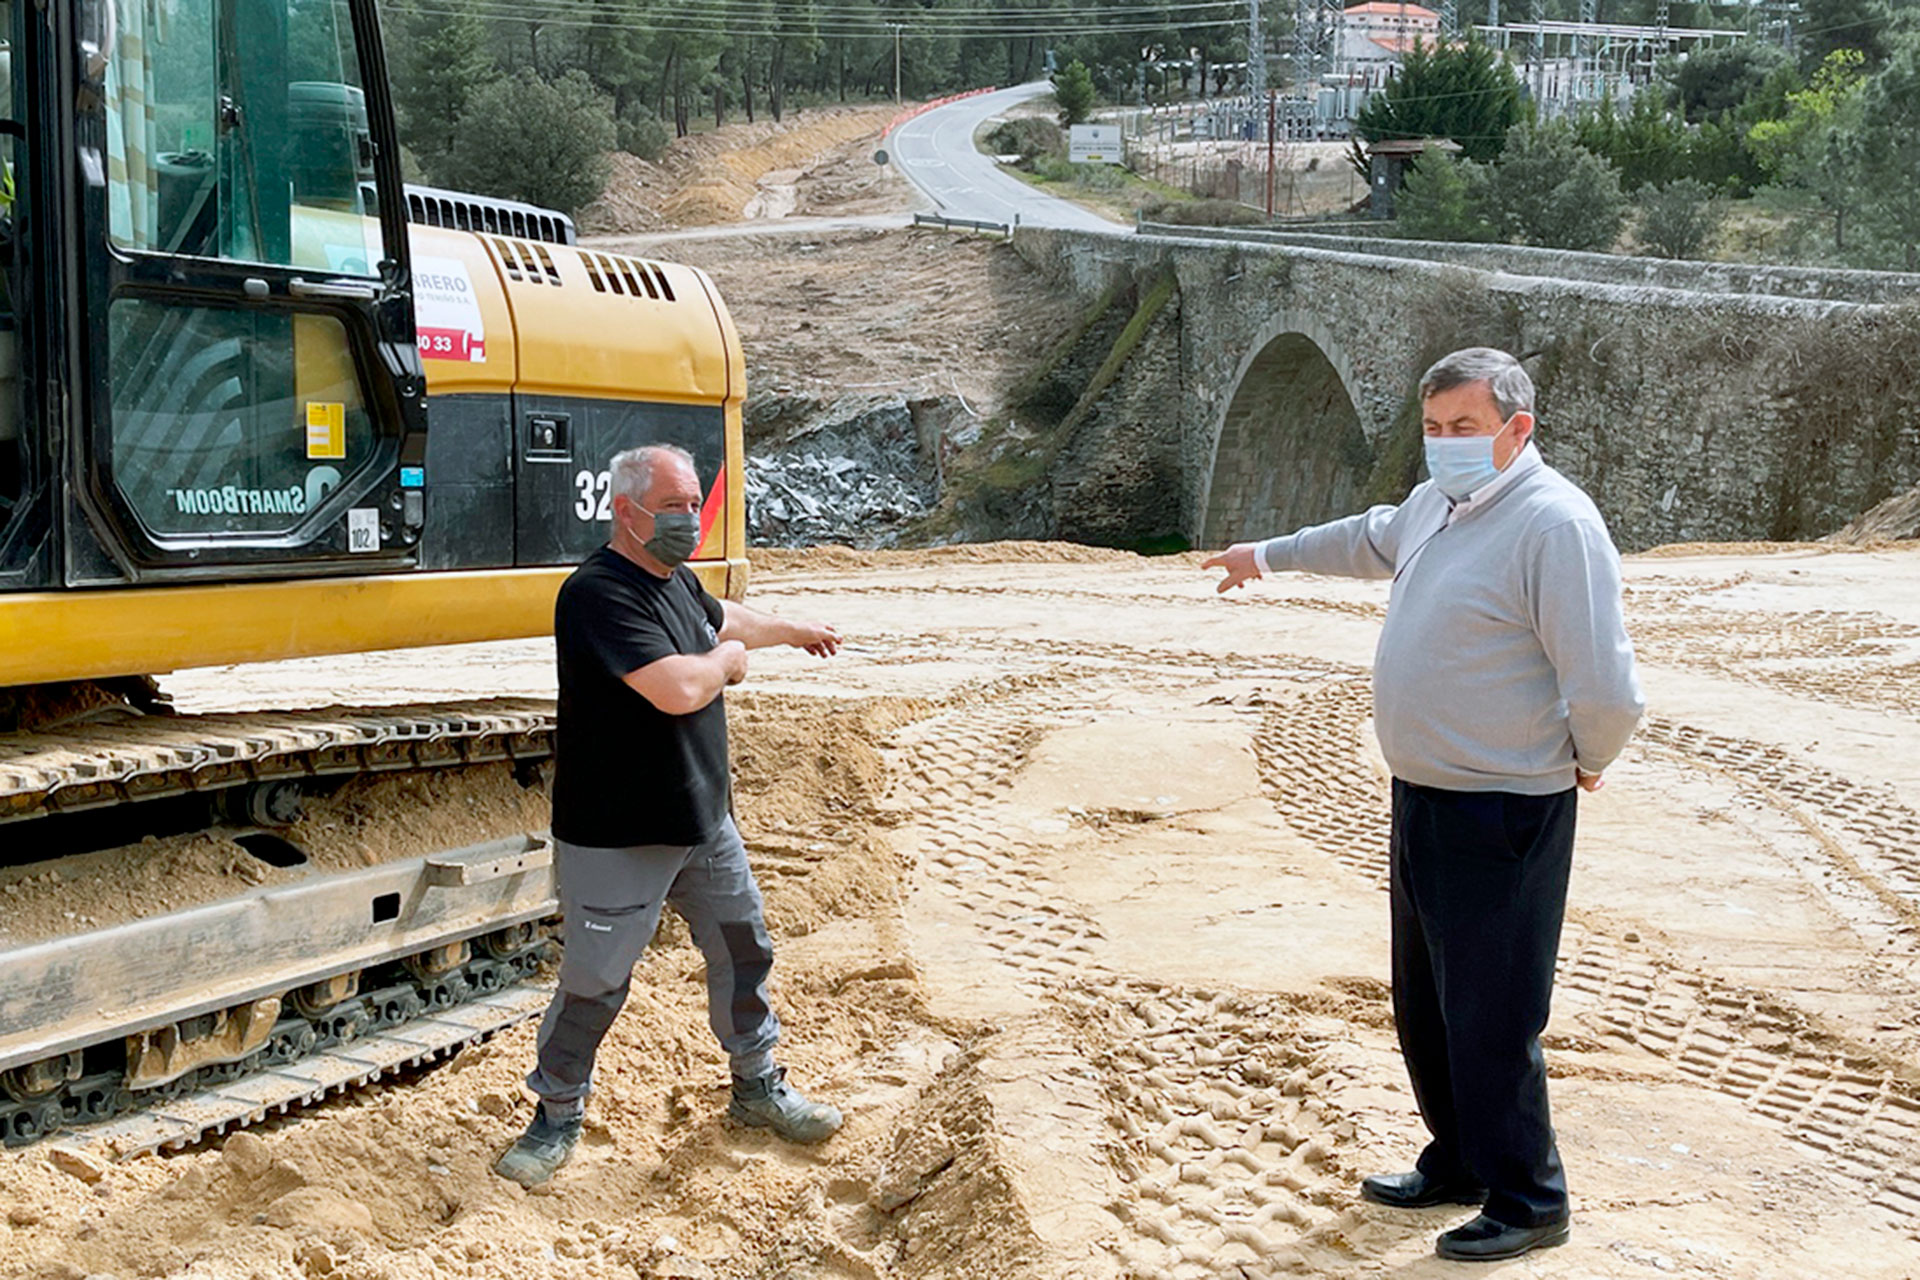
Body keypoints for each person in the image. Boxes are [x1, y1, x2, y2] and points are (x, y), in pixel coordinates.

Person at [1203, 347, 1643, 1262]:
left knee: (1493, 1010)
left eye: (1464, 430)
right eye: (1433, 429)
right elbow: (1367, 537)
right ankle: (1461, 1161)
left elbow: (1604, 682)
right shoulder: (1439, 502)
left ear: (1517, 431)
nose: (1444, 445)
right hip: (1426, 794)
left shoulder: (1554, 525)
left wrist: (1587, 758)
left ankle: (1529, 1197)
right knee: (1429, 1003)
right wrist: (1265, 556)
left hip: (1503, 804)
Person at [495, 443, 845, 1188]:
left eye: (694, 504)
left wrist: (790, 629)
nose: (690, 519)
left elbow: (723, 616)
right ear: (626, 512)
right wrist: (728, 662)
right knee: (595, 982)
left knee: (743, 950)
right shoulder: (597, 594)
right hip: (619, 834)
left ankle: (757, 1088)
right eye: (674, 507)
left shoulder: (675, 579)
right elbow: (680, 688)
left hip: (702, 824)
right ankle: (555, 1117)